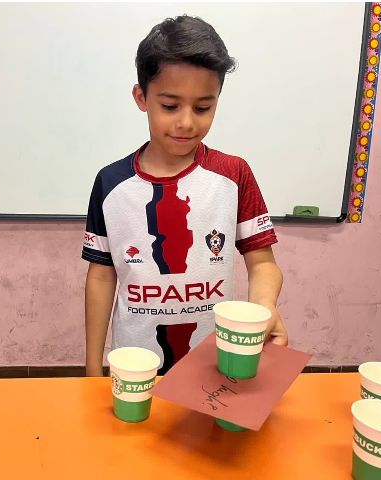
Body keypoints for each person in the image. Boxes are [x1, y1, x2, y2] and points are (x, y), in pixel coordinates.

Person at [82, 15, 288, 377]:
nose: (187, 122)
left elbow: (263, 264)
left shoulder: (234, 174)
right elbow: (101, 277)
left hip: (216, 365)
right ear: (141, 97)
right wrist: (91, 366)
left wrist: (264, 306)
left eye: (203, 107)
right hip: (135, 366)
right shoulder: (111, 183)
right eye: (170, 106)